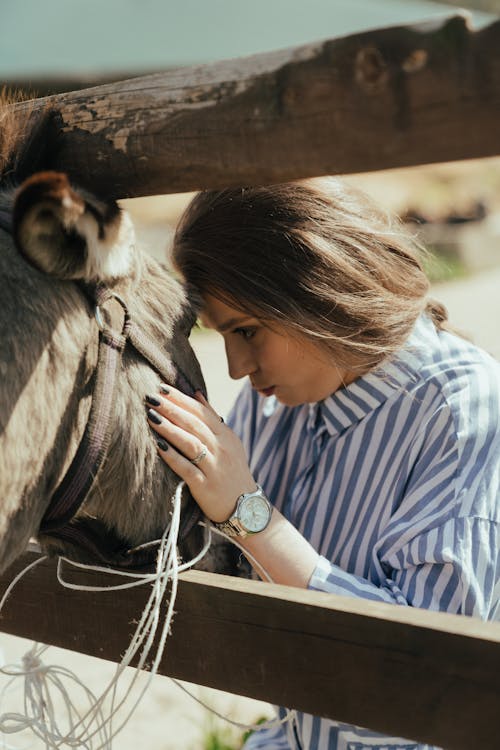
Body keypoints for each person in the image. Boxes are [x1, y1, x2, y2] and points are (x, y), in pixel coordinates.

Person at [145, 178, 500, 750]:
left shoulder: (462, 414)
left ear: (318, 291)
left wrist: (247, 511)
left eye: (247, 330)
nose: (237, 368)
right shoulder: (281, 398)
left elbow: (428, 686)